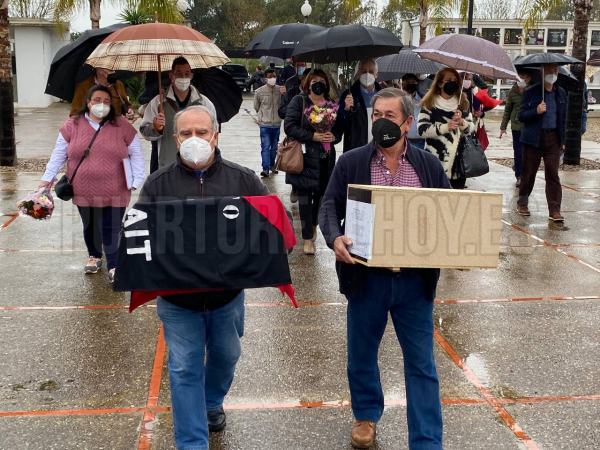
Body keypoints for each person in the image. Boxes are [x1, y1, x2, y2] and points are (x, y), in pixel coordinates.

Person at [319, 88, 450, 450]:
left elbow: (451, 214)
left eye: (389, 116)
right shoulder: (352, 162)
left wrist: (458, 248)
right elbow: (329, 204)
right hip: (366, 278)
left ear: (408, 123)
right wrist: (334, 238)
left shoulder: (428, 166)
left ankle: (426, 440)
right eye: (376, 114)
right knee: (361, 354)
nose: (381, 121)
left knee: (422, 364)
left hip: (414, 282)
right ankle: (365, 416)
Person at [139, 105, 269, 450]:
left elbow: (276, 226)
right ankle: (192, 442)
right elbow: (140, 237)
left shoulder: (243, 180)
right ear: (174, 137)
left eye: (201, 132)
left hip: (227, 298)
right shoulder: (156, 184)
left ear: (215, 135)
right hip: (178, 301)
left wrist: (265, 256)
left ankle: (212, 402)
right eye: (185, 134)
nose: (194, 140)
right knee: (183, 369)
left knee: (227, 355)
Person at [39, 85, 145, 282]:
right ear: (88, 102)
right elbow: (59, 154)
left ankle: (114, 264)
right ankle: (94, 255)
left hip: (117, 187)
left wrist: (137, 179)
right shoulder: (72, 125)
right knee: (90, 225)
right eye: (96, 100)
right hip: (83, 188)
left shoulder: (121, 125)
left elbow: (135, 153)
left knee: (111, 227)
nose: (101, 105)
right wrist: (47, 179)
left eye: (106, 101)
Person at [284, 69, 342, 255]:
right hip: (304, 158)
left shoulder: (332, 105)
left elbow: (339, 131)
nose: (318, 83)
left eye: (322, 80)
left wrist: (334, 136)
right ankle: (308, 238)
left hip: (326, 159)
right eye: (314, 80)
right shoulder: (299, 102)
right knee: (304, 199)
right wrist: (312, 136)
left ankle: (314, 224)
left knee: (321, 197)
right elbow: (289, 126)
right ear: (308, 83)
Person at [140, 57, 217, 169]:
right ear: (171, 76)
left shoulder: (204, 103)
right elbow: (145, 132)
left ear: (191, 76)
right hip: (168, 166)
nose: (183, 77)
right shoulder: (159, 102)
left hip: (198, 166)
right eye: (179, 73)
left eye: (187, 73)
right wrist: (156, 128)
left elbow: (214, 133)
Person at [516, 63, 567, 222]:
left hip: (553, 139)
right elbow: (521, 116)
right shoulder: (531, 92)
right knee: (529, 172)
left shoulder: (561, 93)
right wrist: (536, 111)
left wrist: (563, 140)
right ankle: (523, 202)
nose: (553, 72)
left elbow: (562, 118)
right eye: (550, 69)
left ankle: (554, 210)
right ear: (542, 72)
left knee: (553, 173)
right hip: (533, 139)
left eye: (555, 70)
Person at [418, 68, 476, 188]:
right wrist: (446, 127)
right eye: (448, 80)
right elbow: (422, 130)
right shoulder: (429, 103)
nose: (452, 83)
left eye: (455, 80)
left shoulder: (463, 103)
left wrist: (462, 122)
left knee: (454, 202)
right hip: (434, 161)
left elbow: (471, 129)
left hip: (458, 165)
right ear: (439, 83)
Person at [338, 58, 382, 153]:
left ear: (376, 74)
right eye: (363, 71)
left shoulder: (384, 95)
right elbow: (339, 126)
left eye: (371, 71)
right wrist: (345, 110)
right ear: (358, 73)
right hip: (355, 149)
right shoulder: (348, 95)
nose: (367, 74)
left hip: (379, 149)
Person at [500, 70, 534, 187]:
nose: (522, 79)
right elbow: (508, 109)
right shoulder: (513, 91)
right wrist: (503, 127)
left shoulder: (532, 90)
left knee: (528, 153)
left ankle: (526, 175)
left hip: (529, 126)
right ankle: (519, 176)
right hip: (516, 127)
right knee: (518, 152)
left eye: (524, 76)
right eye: (520, 76)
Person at [254, 68, 284, 177]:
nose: (272, 78)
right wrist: (262, 117)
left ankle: (272, 165)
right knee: (265, 147)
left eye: (274, 76)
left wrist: (284, 94)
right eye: (270, 76)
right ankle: (265, 168)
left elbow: (284, 105)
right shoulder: (259, 91)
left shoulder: (280, 90)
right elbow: (256, 107)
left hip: (276, 124)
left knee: (274, 147)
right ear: (266, 78)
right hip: (265, 125)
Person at [402, 73, 425, 150]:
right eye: (408, 82)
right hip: (405, 141)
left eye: (413, 82)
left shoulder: (423, 99)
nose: (411, 84)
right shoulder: (399, 100)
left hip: (422, 141)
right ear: (403, 83)